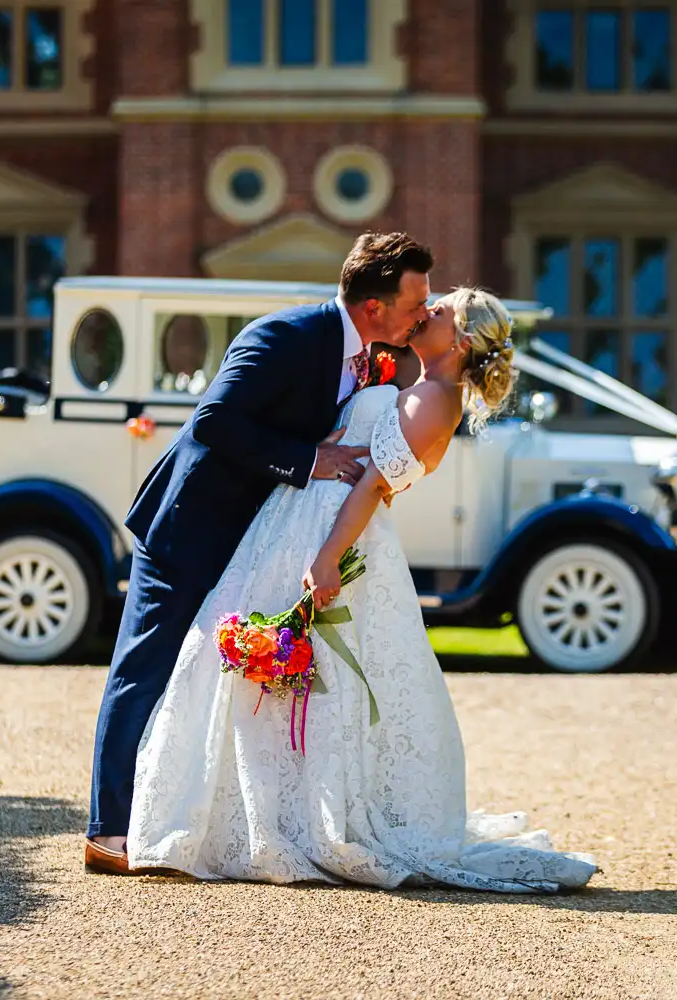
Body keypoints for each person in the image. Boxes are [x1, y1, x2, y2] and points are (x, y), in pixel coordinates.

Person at [126, 287, 598, 893]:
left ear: (458, 342)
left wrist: (326, 559)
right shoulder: (418, 386)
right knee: (277, 676)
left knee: (313, 679)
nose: (425, 313)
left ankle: (292, 818)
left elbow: (374, 487)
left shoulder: (433, 399)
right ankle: (256, 809)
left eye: (439, 311)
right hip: (302, 520)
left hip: (333, 534)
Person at [84, 233, 434, 873]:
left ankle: (190, 817)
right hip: (192, 528)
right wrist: (309, 461)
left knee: (205, 677)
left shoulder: (370, 357)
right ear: (375, 306)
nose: (425, 312)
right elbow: (214, 419)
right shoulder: (285, 337)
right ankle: (107, 831)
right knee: (149, 668)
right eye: (416, 300)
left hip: (256, 539)